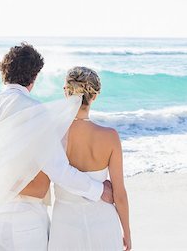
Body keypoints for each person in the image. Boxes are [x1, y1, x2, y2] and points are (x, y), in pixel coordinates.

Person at [0, 44, 114, 251]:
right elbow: (59, 170)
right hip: (25, 222)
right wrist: (99, 189)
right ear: (34, 76)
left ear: (4, 72)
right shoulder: (34, 111)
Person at [48, 67, 131, 251]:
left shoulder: (54, 133)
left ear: (66, 93)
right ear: (95, 96)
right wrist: (127, 232)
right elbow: (119, 193)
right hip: (103, 220)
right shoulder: (110, 137)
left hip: (65, 223)